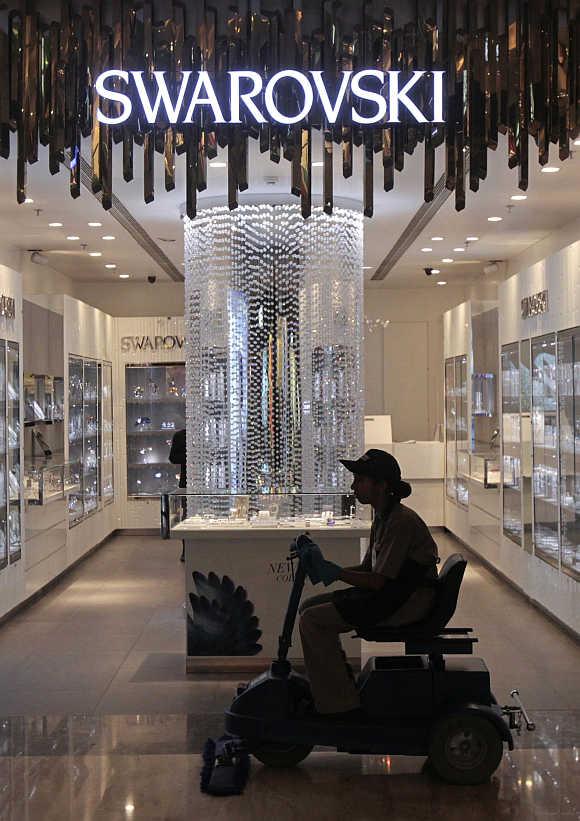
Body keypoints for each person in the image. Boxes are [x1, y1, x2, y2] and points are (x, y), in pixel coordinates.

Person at [297, 449, 440, 721]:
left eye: (360, 479)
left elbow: (376, 580)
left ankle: (339, 706)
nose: (353, 486)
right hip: (391, 595)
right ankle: (338, 689)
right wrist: (329, 570)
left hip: (404, 603)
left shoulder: (400, 522)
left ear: (382, 485)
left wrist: (336, 572)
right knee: (309, 608)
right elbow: (369, 570)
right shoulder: (384, 516)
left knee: (312, 620)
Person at [169, 428, 186, 562]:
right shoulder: (180, 435)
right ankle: (187, 548)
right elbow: (173, 458)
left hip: (209, 481)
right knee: (187, 516)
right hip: (187, 483)